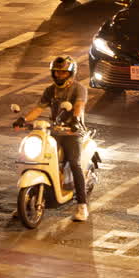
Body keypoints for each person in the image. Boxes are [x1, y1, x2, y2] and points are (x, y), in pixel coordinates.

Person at [15, 56, 90, 222]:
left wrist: (75, 120)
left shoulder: (79, 88)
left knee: (74, 163)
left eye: (63, 72)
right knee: (36, 159)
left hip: (73, 132)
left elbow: (78, 106)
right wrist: (24, 119)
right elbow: (38, 108)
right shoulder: (50, 90)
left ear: (71, 73)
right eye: (57, 72)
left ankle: (82, 205)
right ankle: (25, 201)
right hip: (54, 132)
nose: (59, 75)